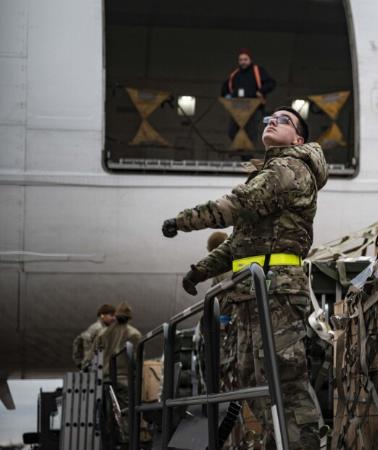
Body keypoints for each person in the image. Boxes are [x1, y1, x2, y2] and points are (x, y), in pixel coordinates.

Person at [161, 106, 327, 449]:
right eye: (268, 119)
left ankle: (306, 444)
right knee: (252, 376)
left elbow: (237, 204)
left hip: (277, 290)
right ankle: (280, 441)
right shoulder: (270, 171)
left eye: (283, 120)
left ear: (298, 138)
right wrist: (201, 270)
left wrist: (183, 220)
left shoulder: (290, 169)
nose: (271, 122)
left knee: (286, 377)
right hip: (253, 291)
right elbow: (239, 243)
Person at [93, 302, 142, 442]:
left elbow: (96, 354)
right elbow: (136, 359)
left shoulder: (103, 334)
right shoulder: (135, 334)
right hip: (125, 379)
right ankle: (126, 442)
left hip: (107, 378)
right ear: (129, 317)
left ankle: (111, 442)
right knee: (126, 413)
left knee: (108, 415)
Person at [221, 48, 275, 143]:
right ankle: (241, 150)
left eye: (245, 59)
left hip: (253, 107)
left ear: (250, 60)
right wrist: (227, 97)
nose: (243, 62)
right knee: (231, 132)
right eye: (241, 60)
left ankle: (247, 155)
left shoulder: (258, 71)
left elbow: (271, 83)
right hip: (237, 107)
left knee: (251, 133)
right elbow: (225, 88)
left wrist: (261, 91)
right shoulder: (235, 74)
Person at [73, 304, 116, 370]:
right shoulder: (98, 328)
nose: (114, 318)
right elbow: (80, 342)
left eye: (114, 316)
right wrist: (82, 363)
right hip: (94, 366)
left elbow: (78, 341)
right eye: (111, 315)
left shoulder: (99, 327)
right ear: (102, 315)